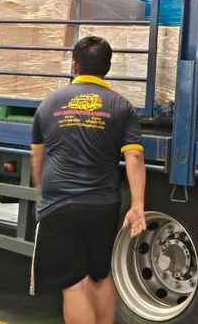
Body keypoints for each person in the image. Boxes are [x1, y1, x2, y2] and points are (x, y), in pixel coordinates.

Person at [29, 35, 147, 324]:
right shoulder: (121, 107)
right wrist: (137, 205)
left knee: (73, 283)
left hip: (60, 204)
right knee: (100, 275)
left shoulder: (49, 103)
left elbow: (37, 156)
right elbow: (134, 157)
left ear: (74, 65)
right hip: (103, 205)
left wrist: (42, 190)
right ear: (107, 67)